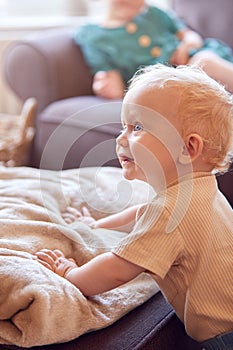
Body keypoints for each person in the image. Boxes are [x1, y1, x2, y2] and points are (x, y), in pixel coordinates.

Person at [36, 64, 233, 349]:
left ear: (188, 148)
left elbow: (117, 269)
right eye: (123, 127)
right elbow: (143, 213)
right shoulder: (202, 189)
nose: (120, 138)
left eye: (138, 127)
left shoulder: (169, 211)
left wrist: (70, 273)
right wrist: (98, 224)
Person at [73, 0, 233, 99]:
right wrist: (107, 86)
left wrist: (189, 43)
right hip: (163, 82)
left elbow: (190, 36)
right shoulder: (92, 36)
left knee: (204, 62)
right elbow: (110, 78)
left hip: (193, 59)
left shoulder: (155, 14)